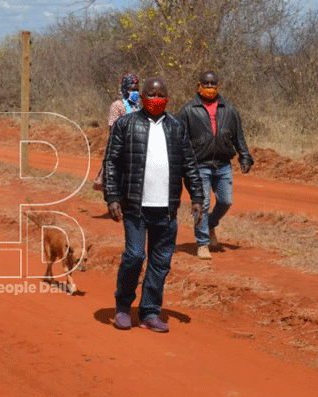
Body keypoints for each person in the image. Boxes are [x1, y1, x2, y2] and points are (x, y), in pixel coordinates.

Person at [103, 77, 204, 333]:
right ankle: (123, 307)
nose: (155, 98)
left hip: (166, 208)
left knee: (161, 262)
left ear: (168, 97)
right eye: (150, 93)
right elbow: (111, 162)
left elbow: (190, 166)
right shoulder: (126, 124)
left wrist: (198, 198)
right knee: (135, 256)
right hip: (136, 207)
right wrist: (112, 197)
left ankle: (149, 312)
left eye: (160, 94)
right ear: (142, 97)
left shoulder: (177, 127)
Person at [177, 71, 254, 260]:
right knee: (201, 204)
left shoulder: (229, 109)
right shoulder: (188, 110)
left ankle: (211, 223)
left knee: (226, 201)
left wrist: (245, 156)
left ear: (218, 86)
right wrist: (180, 163)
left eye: (213, 84)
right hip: (199, 165)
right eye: (206, 84)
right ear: (198, 85)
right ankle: (202, 243)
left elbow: (238, 137)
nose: (210, 88)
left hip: (223, 164)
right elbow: (179, 139)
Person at [93, 74, 140, 192]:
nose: (135, 93)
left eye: (137, 90)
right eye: (132, 89)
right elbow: (113, 129)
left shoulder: (137, 108)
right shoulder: (117, 106)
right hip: (121, 147)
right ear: (125, 89)